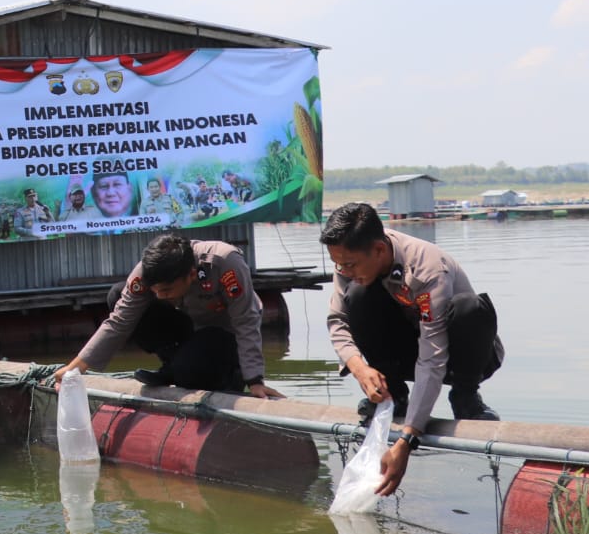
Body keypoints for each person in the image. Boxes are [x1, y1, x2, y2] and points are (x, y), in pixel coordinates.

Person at [321, 202, 504, 496]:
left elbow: (433, 356)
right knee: (357, 295)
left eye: (350, 265)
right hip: (409, 352)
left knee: (468, 307)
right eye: (338, 264)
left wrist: (407, 439)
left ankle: (466, 396)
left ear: (379, 250)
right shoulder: (350, 263)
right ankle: (393, 397)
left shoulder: (427, 268)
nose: (343, 271)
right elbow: (337, 320)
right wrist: (359, 367)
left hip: (463, 356)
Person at [53, 233, 284, 398]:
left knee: (191, 369)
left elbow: (246, 321)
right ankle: (173, 365)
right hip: (190, 328)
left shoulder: (224, 263)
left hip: (224, 335)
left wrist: (254, 380)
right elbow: (119, 322)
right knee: (117, 295)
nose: (160, 297)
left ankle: (192, 371)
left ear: (191, 274)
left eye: (166, 290)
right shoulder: (145, 273)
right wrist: (74, 369)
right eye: (155, 291)